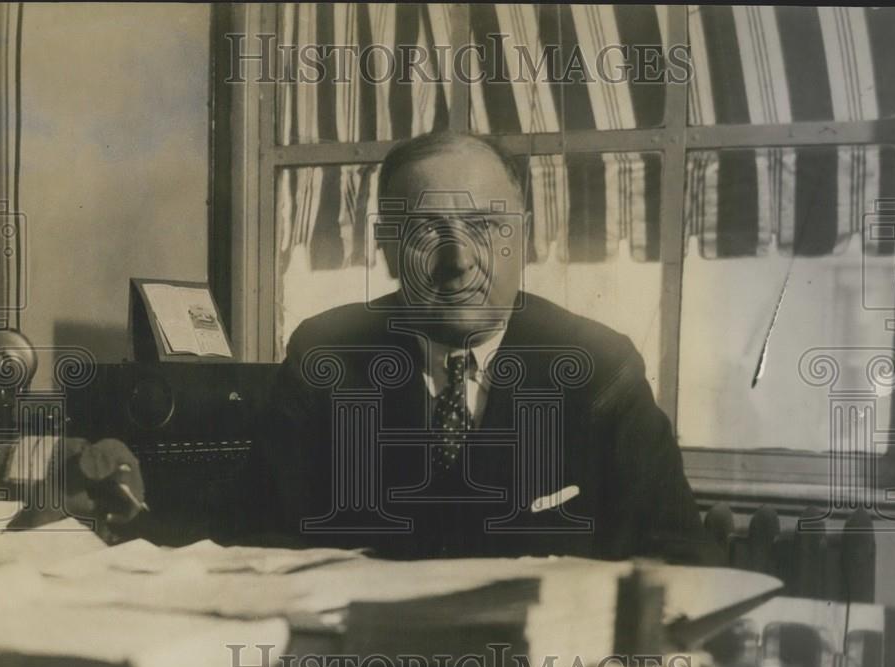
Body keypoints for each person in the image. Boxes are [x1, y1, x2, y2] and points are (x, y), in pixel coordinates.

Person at [221, 131, 721, 565]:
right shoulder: (325, 356)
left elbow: (680, 562)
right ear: (388, 249)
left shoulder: (600, 368)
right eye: (425, 231)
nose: (457, 260)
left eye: (483, 227)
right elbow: (252, 545)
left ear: (521, 240)